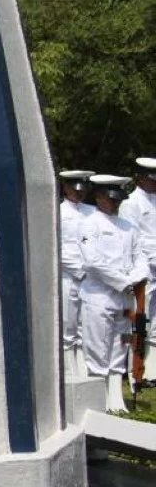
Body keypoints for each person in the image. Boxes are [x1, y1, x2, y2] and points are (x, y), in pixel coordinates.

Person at [79, 174, 149, 412]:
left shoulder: (128, 227)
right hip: (99, 295)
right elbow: (93, 262)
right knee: (97, 348)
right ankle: (97, 401)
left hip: (125, 299)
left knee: (121, 345)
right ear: (98, 197)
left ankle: (116, 399)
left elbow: (141, 258)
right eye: (110, 198)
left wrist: (135, 279)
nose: (115, 203)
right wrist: (122, 281)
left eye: (117, 199)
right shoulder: (90, 223)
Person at [118, 157, 156, 375]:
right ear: (141, 178)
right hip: (144, 268)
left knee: (155, 318)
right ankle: (134, 368)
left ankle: (151, 366)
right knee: (140, 316)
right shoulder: (131, 203)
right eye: (151, 179)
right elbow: (133, 240)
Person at [59, 170, 95, 378]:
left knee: (86, 327)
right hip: (68, 275)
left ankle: (86, 371)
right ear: (66, 188)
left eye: (82, 190)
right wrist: (78, 270)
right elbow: (57, 247)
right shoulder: (58, 212)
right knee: (68, 325)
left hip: (92, 277)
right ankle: (68, 372)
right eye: (74, 189)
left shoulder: (92, 212)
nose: (78, 194)